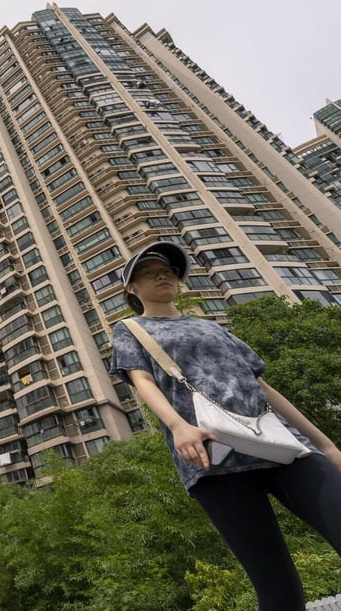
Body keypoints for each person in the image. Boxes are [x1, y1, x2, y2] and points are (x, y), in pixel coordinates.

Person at [109, 240, 341, 609]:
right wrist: (177, 425)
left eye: (167, 269)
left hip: (282, 444)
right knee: (277, 586)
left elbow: (263, 387)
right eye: (148, 272)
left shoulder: (213, 327)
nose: (162, 274)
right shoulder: (131, 329)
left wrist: (325, 444)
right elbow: (143, 381)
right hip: (213, 459)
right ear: (132, 289)